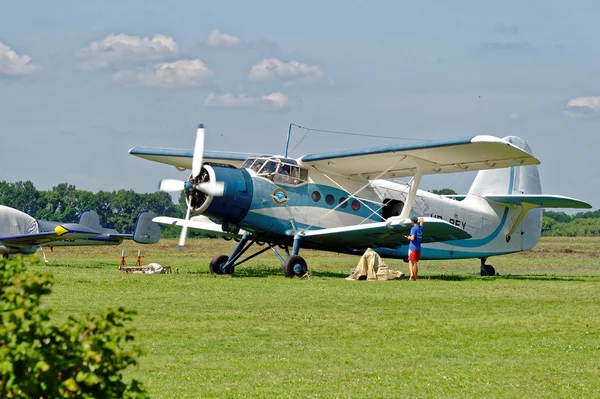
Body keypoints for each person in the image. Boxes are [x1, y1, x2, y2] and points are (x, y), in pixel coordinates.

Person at [407, 216, 424, 281]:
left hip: (412, 247)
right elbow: (421, 224)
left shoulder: (413, 229)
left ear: (412, 222)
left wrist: (409, 237)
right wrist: (421, 222)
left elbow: (412, 238)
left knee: (411, 262)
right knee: (415, 262)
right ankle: (415, 277)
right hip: (418, 248)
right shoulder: (420, 228)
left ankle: (411, 275)